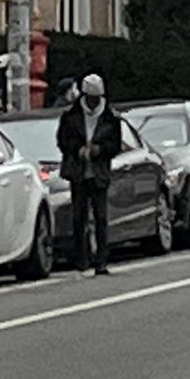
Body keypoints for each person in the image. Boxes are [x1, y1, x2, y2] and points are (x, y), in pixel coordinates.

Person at [56, 74, 121, 275]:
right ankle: (81, 259)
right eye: (91, 98)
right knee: (78, 217)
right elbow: (62, 141)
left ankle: (101, 260)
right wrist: (78, 150)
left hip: (99, 172)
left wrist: (99, 150)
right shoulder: (70, 116)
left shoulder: (110, 117)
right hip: (78, 172)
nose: (94, 102)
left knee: (101, 217)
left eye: (97, 98)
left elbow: (115, 145)